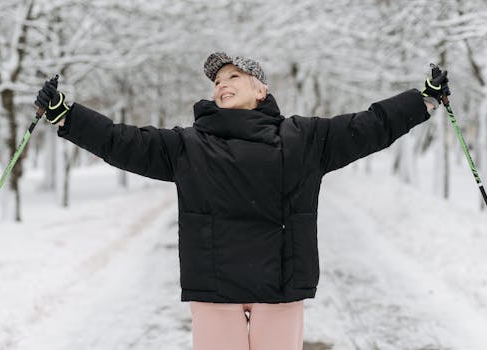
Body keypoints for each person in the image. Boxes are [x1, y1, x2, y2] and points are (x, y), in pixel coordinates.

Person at [35, 52, 449, 350]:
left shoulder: (305, 138)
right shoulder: (187, 144)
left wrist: (423, 100)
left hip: (280, 289)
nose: (222, 85)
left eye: (233, 77)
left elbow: (369, 126)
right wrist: (66, 115)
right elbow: (120, 141)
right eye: (217, 82)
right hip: (216, 291)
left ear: (260, 88)